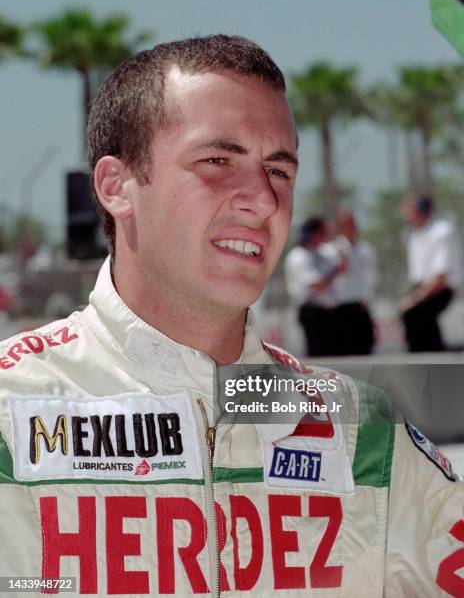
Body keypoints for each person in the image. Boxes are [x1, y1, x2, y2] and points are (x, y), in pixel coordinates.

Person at [0, 35, 462, 597]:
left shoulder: (361, 432)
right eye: (218, 160)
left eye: (279, 170)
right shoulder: (11, 405)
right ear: (116, 187)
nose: (263, 200)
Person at [401, 195, 463, 352]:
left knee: (414, 314)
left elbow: (441, 278)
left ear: (421, 211)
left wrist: (415, 298)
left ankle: (431, 360)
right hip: (423, 287)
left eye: (410, 210)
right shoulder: (416, 234)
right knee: (418, 320)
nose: (405, 214)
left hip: (439, 289)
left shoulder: (441, 232)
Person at [284, 216, 344, 356]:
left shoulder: (322, 252)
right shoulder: (299, 256)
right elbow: (316, 285)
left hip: (328, 311)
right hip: (312, 312)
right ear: (313, 234)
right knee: (318, 355)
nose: (325, 236)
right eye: (322, 233)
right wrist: (336, 272)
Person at [333, 209, 377, 355]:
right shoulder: (333, 249)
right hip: (341, 307)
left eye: (353, 223)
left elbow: (371, 277)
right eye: (347, 224)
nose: (351, 227)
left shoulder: (366, 249)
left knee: (365, 347)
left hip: (361, 305)